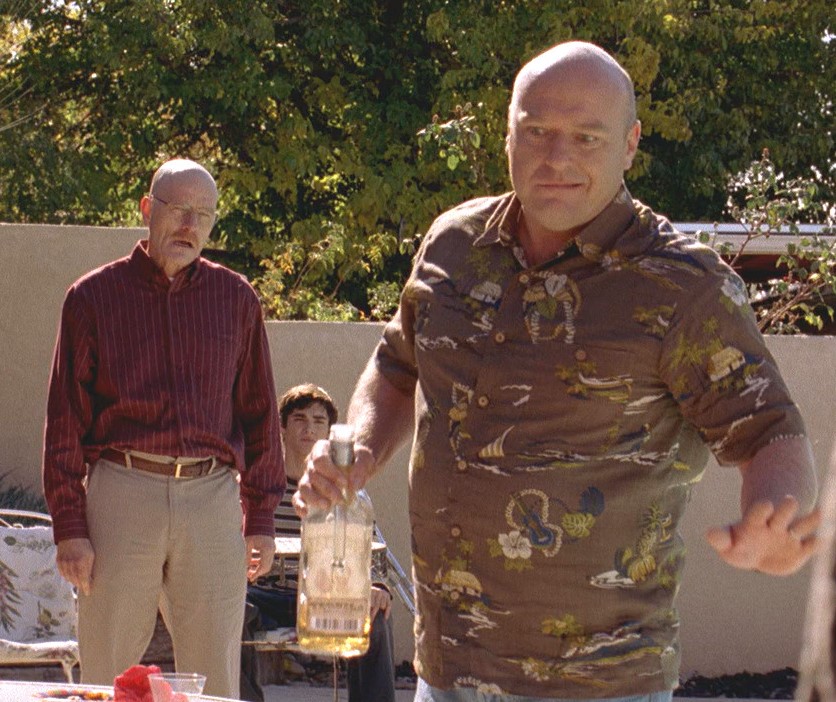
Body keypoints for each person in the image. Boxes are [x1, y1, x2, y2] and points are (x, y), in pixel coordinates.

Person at [294, 41, 822, 702]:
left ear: (630, 144)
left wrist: (775, 521)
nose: (557, 157)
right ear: (508, 134)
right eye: (537, 131)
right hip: (446, 671)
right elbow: (397, 365)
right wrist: (362, 451)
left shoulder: (681, 285)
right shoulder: (454, 244)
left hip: (601, 684)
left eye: (586, 137)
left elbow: (771, 432)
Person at [42, 158, 284, 698]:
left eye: (204, 215)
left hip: (212, 495)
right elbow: (64, 420)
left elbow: (260, 412)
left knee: (215, 676)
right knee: (107, 670)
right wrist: (70, 526)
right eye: (178, 210)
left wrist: (262, 516)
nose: (190, 226)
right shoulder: (92, 297)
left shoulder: (236, 299)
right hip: (122, 490)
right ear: (147, 209)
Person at [240, 383, 396, 702]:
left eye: (318, 421)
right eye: (299, 419)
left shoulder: (347, 494)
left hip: (325, 597)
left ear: (328, 434)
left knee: (376, 615)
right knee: (231, 609)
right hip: (263, 595)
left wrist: (378, 586)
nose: (309, 429)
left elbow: (369, 551)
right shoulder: (259, 488)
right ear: (282, 429)